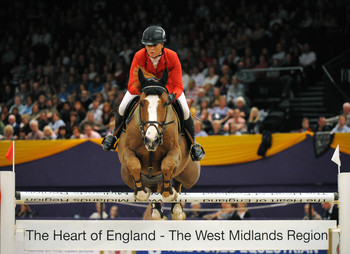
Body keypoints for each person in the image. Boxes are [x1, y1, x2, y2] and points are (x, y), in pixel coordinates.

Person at [102, 26, 205, 161]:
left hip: (167, 90)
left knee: (185, 110)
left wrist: (172, 95)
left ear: (162, 44)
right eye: (147, 45)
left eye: (154, 45)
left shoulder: (172, 56)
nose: (150, 48)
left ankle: (193, 145)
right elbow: (132, 84)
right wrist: (146, 90)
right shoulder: (139, 55)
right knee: (122, 107)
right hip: (144, 89)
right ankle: (113, 137)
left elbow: (178, 85)